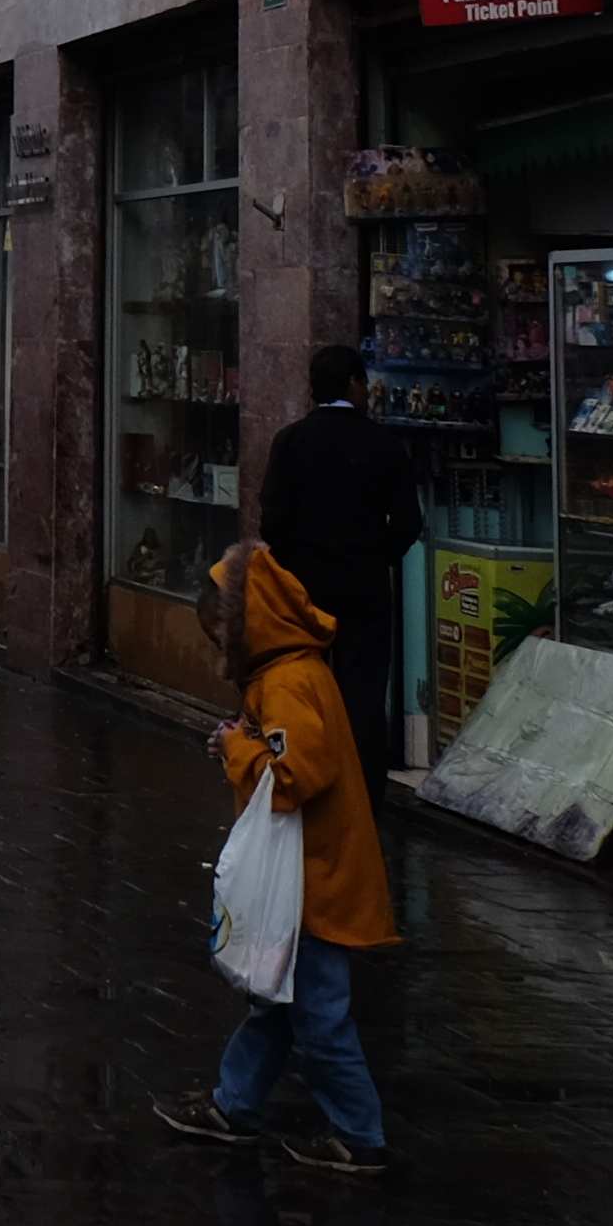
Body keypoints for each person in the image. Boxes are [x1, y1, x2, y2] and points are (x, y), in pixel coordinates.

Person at [155, 542, 397, 1176]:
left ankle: (360, 1134)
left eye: (220, 634)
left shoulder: (286, 683)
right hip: (308, 875)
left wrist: (240, 750)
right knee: (278, 1005)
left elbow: (295, 778)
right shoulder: (292, 672)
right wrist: (239, 742)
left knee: (315, 1014)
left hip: (310, 883)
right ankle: (233, 1106)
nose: (216, 648)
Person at [255, 344, 422, 780]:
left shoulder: (290, 441)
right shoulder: (384, 444)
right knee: (363, 697)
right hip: (364, 588)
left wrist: (296, 560)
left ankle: (302, 780)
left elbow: (272, 521)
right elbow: (408, 522)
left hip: (302, 591)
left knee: (299, 687)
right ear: (353, 383)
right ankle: (362, 792)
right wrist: (376, 556)